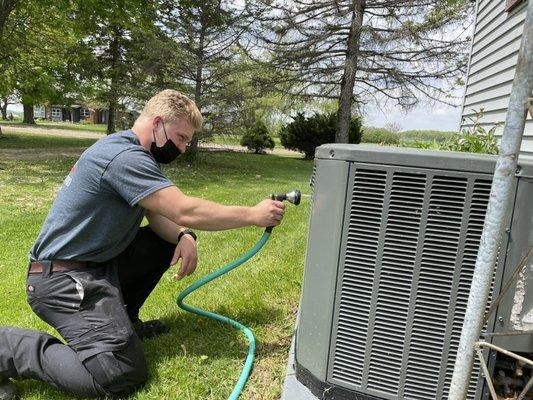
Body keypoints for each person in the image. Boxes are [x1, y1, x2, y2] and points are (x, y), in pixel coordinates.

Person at [0, 90, 285, 399]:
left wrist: (183, 235)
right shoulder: (124, 157)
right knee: (120, 375)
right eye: (181, 138)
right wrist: (253, 215)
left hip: (96, 268)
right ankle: (10, 348)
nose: (183, 148)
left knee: (162, 242)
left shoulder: (131, 152)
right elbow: (182, 209)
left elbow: (161, 214)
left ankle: (124, 321)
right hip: (61, 282)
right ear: (158, 123)